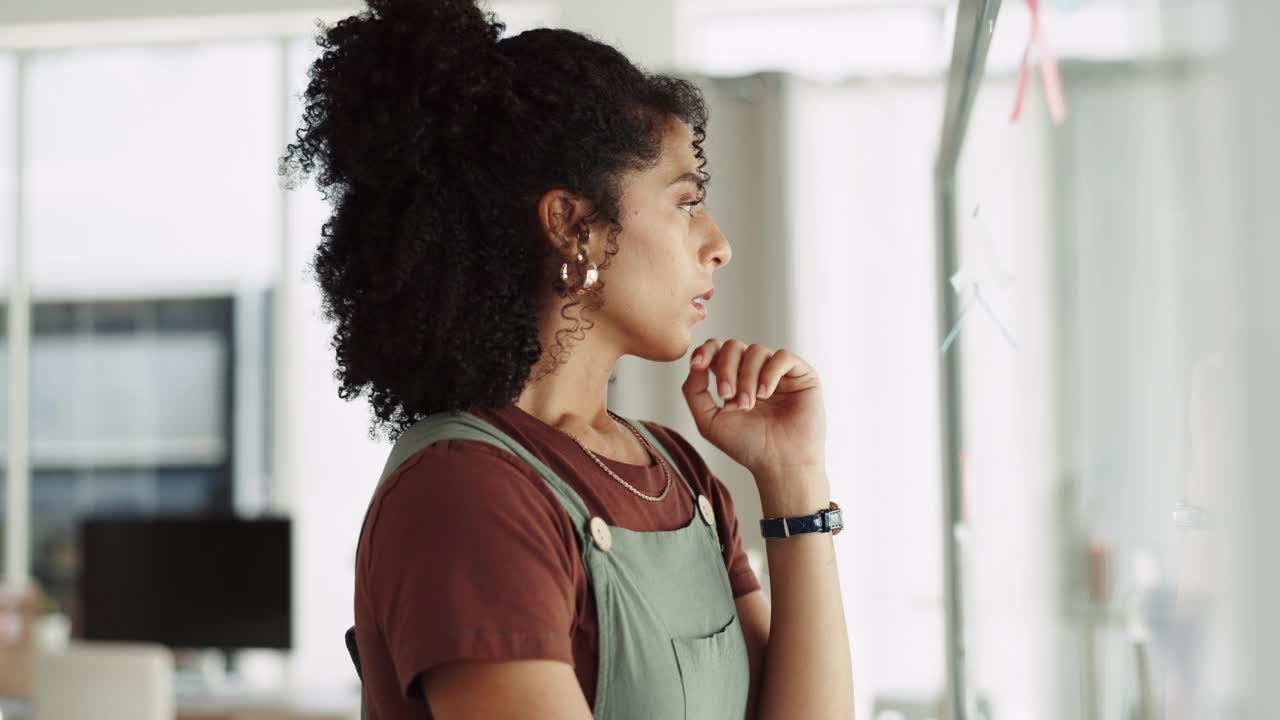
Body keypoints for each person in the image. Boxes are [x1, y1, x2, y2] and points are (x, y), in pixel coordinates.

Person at [280, 0, 854, 717]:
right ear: (571, 225)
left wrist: (795, 480)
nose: (717, 243)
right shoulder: (466, 493)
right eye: (685, 202)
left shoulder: (679, 472)